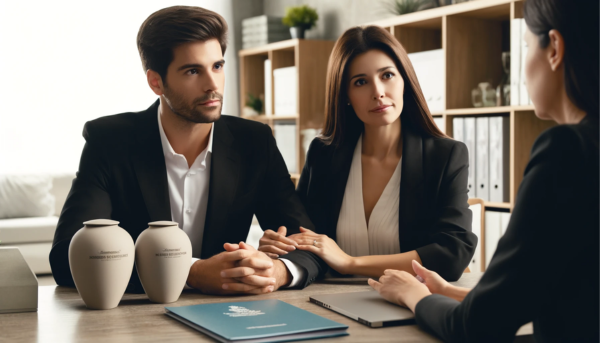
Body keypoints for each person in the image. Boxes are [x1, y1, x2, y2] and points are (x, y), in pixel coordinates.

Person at [50, 6, 325, 295]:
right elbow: (66, 257)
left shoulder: (254, 142)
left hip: (228, 316)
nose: (212, 85)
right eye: (193, 71)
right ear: (156, 82)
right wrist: (189, 272)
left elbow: (310, 244)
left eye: (217, 66)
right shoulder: (110, 142)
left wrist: (277, 272)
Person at [368, 0, 599, 341]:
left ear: (554, 48)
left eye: (524, 47)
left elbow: (476, 327)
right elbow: (548, 296)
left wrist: (412, 296)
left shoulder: (567, 151)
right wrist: (449, 292)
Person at [258, 25, 477, 282]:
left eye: (387, 75)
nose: (378, 92)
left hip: (408, 303)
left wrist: (351, 263)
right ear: (346, 95)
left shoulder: (446, 156)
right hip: (329, 301)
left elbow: (453, 254)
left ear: (404, 80)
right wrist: (282, 243)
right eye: (361, 82)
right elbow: (307, 237)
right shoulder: (324, 155)